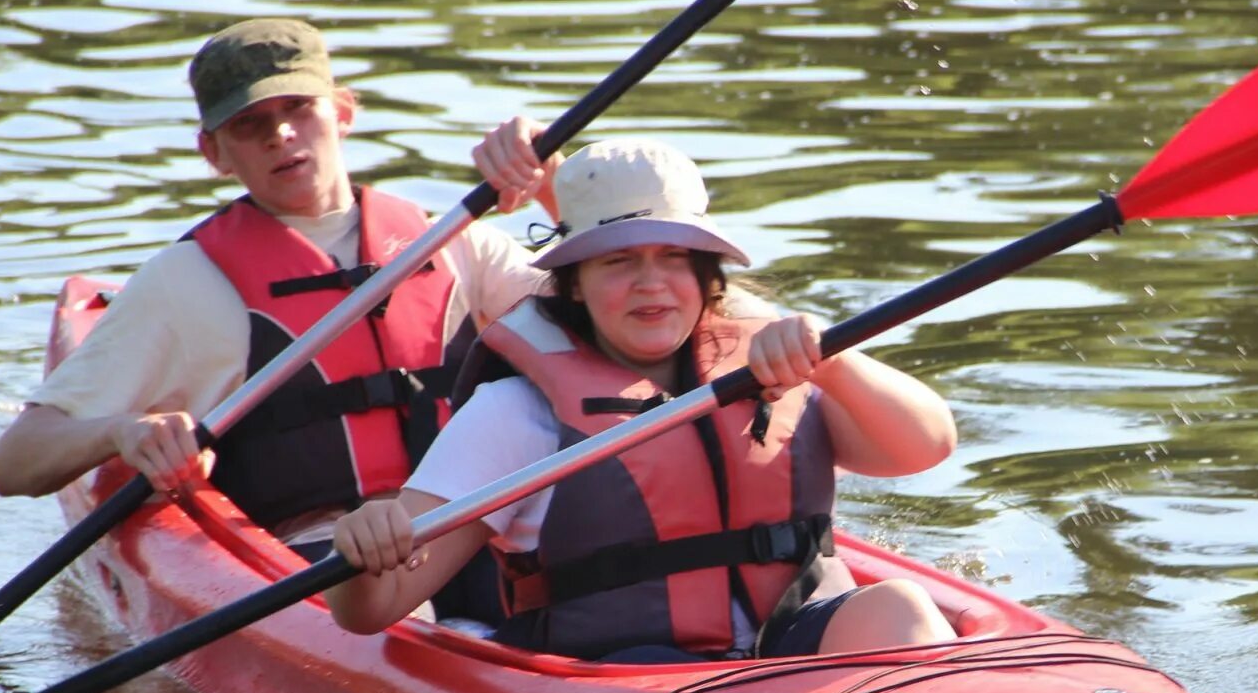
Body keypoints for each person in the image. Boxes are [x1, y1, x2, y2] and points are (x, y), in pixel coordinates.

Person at [326, 137, 960, 661]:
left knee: (896, 605)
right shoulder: (514, 413)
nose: (650, 284)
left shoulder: (776, 361)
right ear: (573, 286)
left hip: (790, 647)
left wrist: (837, 364)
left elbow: (926, 447)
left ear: (707, 276)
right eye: (618, 261)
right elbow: (373, 611)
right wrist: (363, 549)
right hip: (627, 680)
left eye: (674, 257)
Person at [0, 17, 562, 556]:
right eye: (249, 123)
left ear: (342, 111)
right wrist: (121, 432)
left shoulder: (451, 241)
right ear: (213, 152)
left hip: (475, 528)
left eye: (298, 108)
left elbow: (616, 328)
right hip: (320, 559)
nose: (280, 134)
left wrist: (556, 186)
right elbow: (14, 464)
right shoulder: (182, 284)